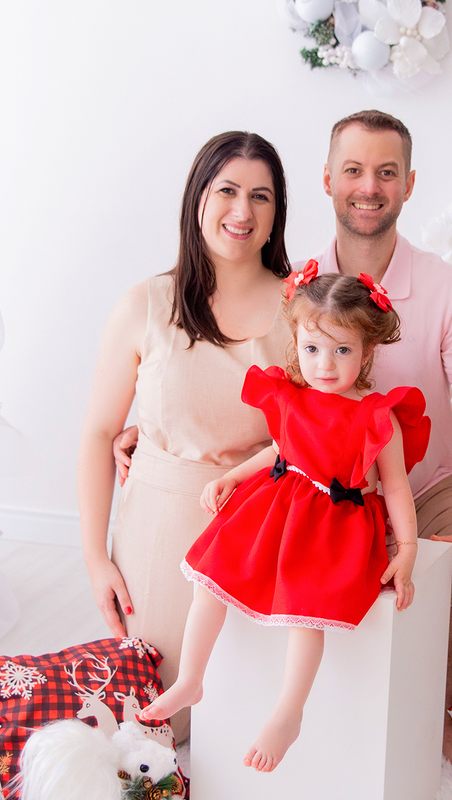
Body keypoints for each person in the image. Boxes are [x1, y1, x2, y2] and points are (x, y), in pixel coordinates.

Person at [141, 268, 430, 772]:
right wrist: (232, 476)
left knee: (304, 611)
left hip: (331, 521)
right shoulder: (292, 394)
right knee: (210, 581)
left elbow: (397, 485)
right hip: (275, 500)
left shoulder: (374, 413)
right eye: (313, 348)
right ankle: (190, 677)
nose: (325, 364)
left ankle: (288, 713)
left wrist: (406, 550)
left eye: (342, 350)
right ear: (296, 342)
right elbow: (281, 448)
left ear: (367, 352)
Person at [314, 109, 452, 771]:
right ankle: (352, 711)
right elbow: (253, 388)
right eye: (353, 169)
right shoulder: (297, 280)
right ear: (327, 180)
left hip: (428, 486)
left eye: (385, 172)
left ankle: (420, 711)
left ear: (408, 184)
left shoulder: (446, 289)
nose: (368, 186)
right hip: (329, 494)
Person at [78, 131, 292, 743]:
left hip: (260, 535)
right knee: (148, 732)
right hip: (158, 535)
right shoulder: (146, 303)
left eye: (261, 196)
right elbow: (97, 433)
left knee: (241, 733)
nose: (242, 211)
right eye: (226, 190)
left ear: (278, 214)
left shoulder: (302, 308)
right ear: (197, 197)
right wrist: (96, 558)